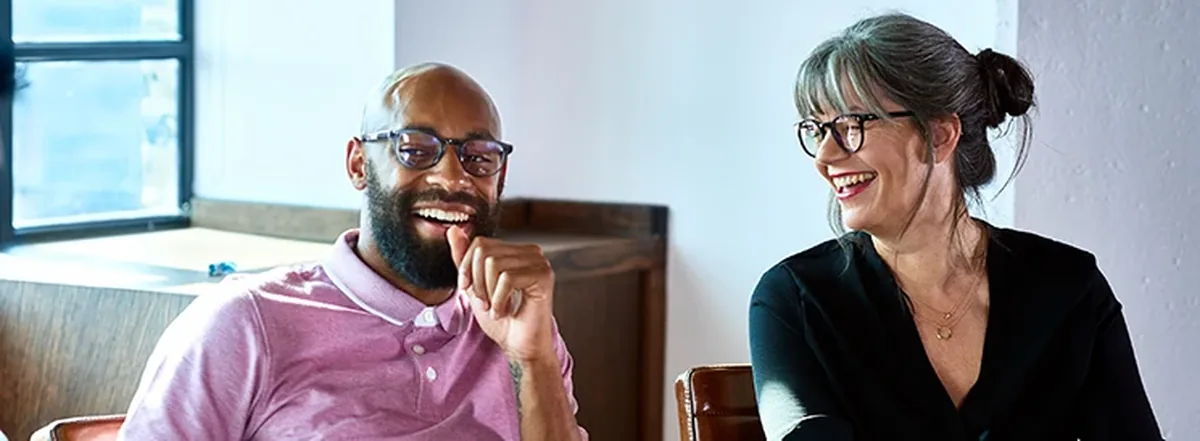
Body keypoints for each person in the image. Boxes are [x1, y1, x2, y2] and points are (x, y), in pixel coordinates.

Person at [748, 13, 1163, 441]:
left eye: (852, 126)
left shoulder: (1068, 286)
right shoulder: (795, 299)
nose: (825, 156)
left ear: (941, 134)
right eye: (818, 129)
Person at [118, 63, 588, 441]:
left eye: (478, 157)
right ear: (359, 164)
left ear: (499, 181)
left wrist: (534, 359)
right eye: (415, 150)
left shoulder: (520, 320)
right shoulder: (246, 323)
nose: (452, 177)